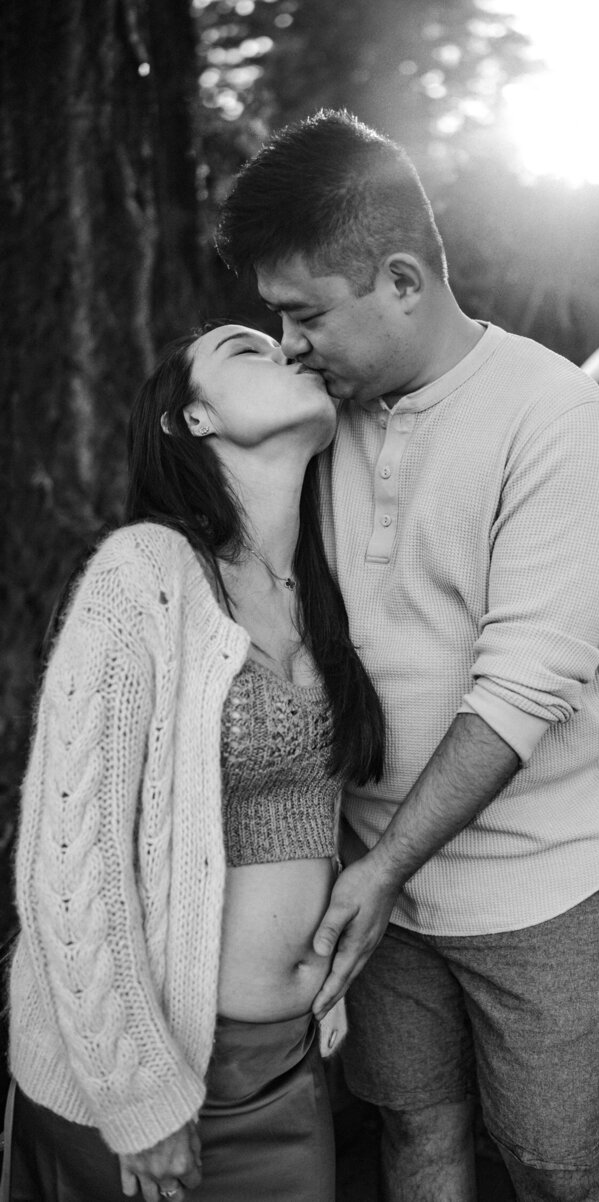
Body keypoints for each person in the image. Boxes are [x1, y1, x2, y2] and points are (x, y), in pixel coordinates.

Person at [215, 110, 599, 1202]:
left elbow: (522, 687)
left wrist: (381, 867)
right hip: (375, 881)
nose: (290, 345)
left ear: (401, 280)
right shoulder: (319, 419)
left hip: (539, 879)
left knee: (554, 1171)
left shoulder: (555, 417)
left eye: (304, 314)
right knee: (413, 1136)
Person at [1, 321, 384, 1202]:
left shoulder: (324, 592)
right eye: (247, 350)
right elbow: (71, 856)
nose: (288, 349)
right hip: (151, 1075)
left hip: (290, 1065)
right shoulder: (144, 573)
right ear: (193, 420)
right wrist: (141, 1096)